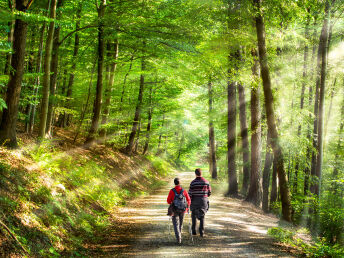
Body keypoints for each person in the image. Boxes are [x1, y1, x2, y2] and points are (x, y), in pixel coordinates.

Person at [167, 177, 191, 244]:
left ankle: (178, 238)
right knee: (180, 223)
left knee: (176, 224)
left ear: (174, 183)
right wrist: (187, 207)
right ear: (180, 183)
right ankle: (179, 235)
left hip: (174, 210)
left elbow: (168, 201)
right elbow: (188, 200)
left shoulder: (172, 191)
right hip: (183, 210)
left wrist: (172, 202)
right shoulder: (184, 191)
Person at [188, 168, 211, 237]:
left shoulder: (193, 183)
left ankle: (194, 230)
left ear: (195, 174)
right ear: (201, 173)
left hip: (195, 200)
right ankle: (201, 232)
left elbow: (190, 194)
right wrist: (205, 195)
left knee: (194, 215)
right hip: (203, 201)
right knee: (202, 215)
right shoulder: (206, 182)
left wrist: (189, 201)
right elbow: (209, 193)